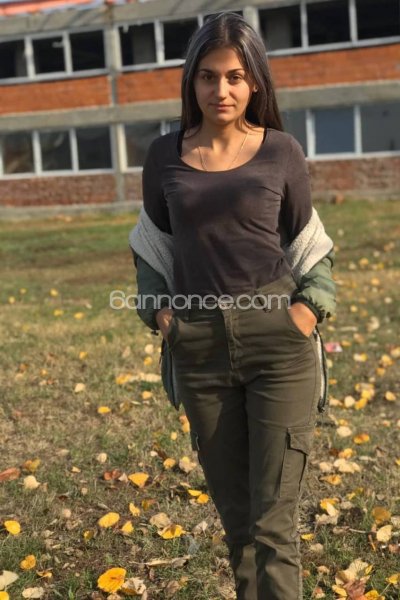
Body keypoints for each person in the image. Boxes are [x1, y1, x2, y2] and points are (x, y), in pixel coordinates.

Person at [129, 12, 336, 600]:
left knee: (274, 525)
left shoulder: (281, 151)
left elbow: (309, 243)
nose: (220, 90)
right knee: (237, 522)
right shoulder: (163, 155)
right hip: (199, 348)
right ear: (191, 81)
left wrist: (307, 312)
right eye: (208, 76)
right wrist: (162, 315)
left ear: (255, 83)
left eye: (235, 77)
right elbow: (152, 245)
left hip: (280, 345)